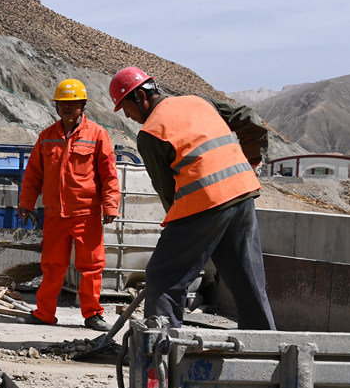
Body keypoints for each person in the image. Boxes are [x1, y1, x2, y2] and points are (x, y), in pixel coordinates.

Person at [109, 67, 275, 330]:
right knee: (247, 277)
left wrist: (178, 236)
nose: (127, 115)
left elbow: (168, 192)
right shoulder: (199, 101)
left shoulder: (151, 133)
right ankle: (265, 345)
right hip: (243, 191)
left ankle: (160, 345)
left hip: (204, 202)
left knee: (164, 276)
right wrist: (251, 160)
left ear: (140, 96)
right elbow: (248, 117)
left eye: (125, 107)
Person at [18, 78, 120, 331]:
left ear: (83, 105)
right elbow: (33, 175)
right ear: (56, 106)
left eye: (72, 103)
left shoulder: (97, 134)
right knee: (52, 267)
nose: (67, 107)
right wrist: (26, 202)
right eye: (62, 103)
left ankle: (93, 314)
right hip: (55, 215)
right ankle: (44, 313)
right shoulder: (46, 137)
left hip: (87, 214)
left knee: (91, 267)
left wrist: (110, 205)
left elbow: (109, 173)